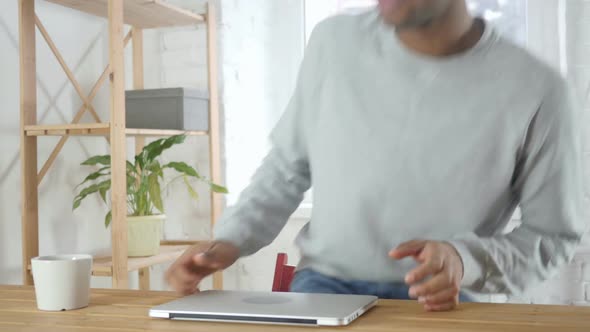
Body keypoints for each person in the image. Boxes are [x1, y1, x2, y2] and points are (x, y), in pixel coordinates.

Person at [166, 0, 587, 312]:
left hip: (446, 301)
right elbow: (288, 167)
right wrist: (228, 241)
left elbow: (553, 236)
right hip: (322, 290)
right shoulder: (332, 44)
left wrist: (464, 260)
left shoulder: (539, 90)